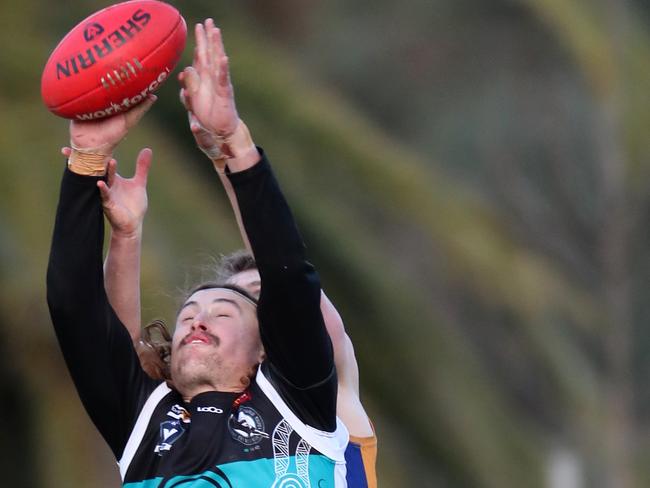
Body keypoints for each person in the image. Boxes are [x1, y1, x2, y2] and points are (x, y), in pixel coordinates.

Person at [47, 18, 351, 486]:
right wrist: (87, 159)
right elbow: (72, 302)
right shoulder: (141, 422)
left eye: (225, 313)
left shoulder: (297, 403)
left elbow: (288, 275)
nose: (197, 321)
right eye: (188, 315)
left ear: (267, 349)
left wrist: (234, 144)